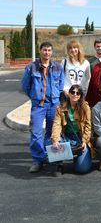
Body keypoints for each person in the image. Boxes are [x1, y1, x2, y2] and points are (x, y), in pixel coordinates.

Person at [22, 41, 64, 173]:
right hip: (38, 105)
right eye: (45, 50)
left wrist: (56, 97)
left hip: (53, 104)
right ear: (40, 51)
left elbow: (61, 85)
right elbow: (25, 86)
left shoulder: (57, 67)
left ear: (52, 52)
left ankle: (49, 156)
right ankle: (37, 160)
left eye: (49, 50)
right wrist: (35, 97)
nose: (47, 52)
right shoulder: (31, 67)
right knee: (35, 133)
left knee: (52, 133)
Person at [51, 84, 92, 174]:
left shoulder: (85, 108)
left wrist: (85, 141)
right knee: (54, 142)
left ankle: (77, 158)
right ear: (68, 94)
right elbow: (56, 125)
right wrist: (55, 140)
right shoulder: (60, 108)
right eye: (72, 92)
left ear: (80, 96)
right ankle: (59, 163)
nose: (75, 95)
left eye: (78, 93)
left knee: (82, 169)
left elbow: (88, 126)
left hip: (80, 138)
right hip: (66, 136)